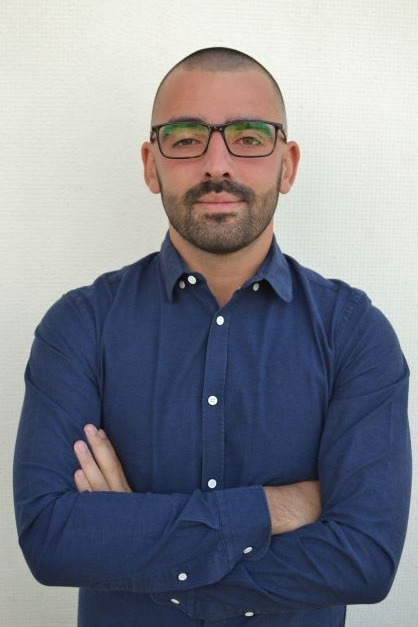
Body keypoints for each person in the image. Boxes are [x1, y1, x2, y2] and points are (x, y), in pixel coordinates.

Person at [13, 47, 411, 627]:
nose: (217, 164)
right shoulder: (79, 327)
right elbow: (51, 540)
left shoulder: (355, 335)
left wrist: (136, 544)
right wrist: (273, 508)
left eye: (249, 137)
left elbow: (364, 560)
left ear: (287, 165)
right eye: (186, 137)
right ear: (151, 165)